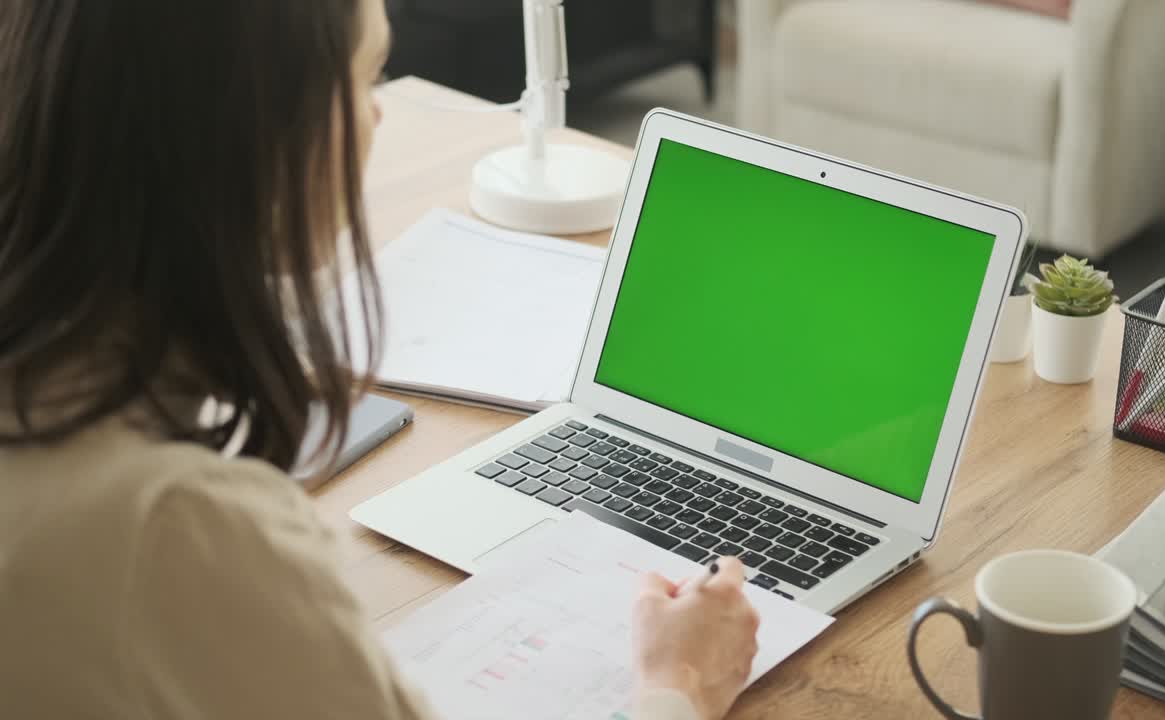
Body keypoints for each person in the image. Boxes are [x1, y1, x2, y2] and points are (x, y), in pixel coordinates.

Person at [0, 1, 760, 718]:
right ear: (263, 133)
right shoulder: (183, 530)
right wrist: (676, 685)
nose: (377, 115)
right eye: (368, 78)